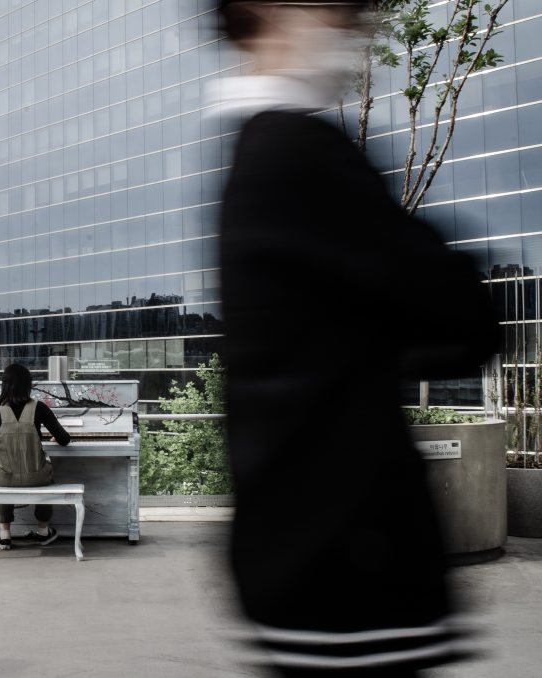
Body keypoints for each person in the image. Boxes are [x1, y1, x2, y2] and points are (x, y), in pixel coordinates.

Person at [215, 1, 500, 675]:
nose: (356, 29)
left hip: (298, 554)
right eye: (338, 10)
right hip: (353, 565)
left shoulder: (250, 152)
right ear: (269, 12)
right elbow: (464, 317)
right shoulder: (302, 152)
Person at [0, 363, 71, 550]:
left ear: (4, 385)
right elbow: (64, 439)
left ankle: (5, 536)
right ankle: (43, 531)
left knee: (1, 471)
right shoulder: (39, 408)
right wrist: (53, 437)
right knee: (47, 474)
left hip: (4, 477)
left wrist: (5, 457)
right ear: (28, 384)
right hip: (36, 477)